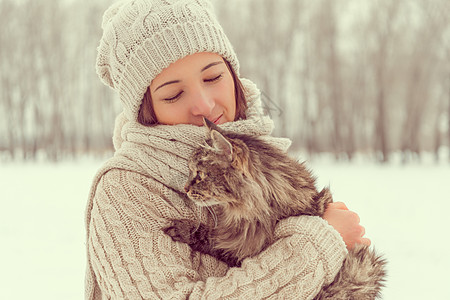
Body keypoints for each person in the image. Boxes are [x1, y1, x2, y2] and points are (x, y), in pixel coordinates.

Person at [85, 0, 370, 299]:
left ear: (233, 76)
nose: (205, 106)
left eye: (212, 77)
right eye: (173, 94)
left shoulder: (264, 163)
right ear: (147, 110)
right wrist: (320, 242)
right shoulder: (126, 192)